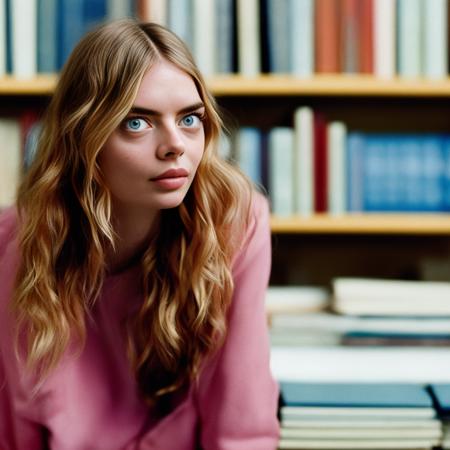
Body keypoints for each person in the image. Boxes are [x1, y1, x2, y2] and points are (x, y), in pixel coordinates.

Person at [0, 19, 279, 449]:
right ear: (84, 139)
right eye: (137, 123)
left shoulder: (236, 223)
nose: (175, 146)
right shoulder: (13, 243)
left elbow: (241, 424)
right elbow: (14, 426)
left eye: (190, 119)